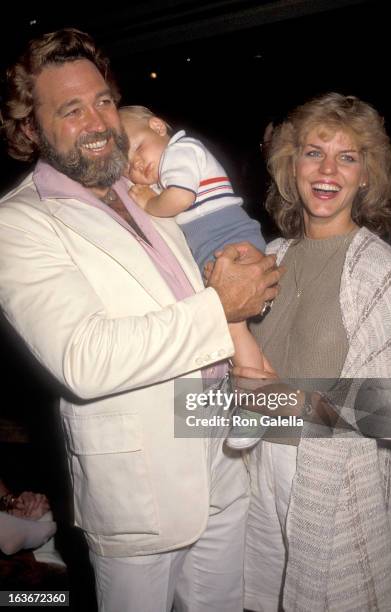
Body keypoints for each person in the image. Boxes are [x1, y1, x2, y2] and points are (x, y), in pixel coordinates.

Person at [0, 28, 283, 612]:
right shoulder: (19, 223)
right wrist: (220, 307)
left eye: (103, 101)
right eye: (71, 109)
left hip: (219, 455)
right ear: (30, 128)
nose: (99, 121)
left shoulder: (142, 192)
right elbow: (85, 358)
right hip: (141, 491)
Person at [239, 93, 391, 611]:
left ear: (366, 175)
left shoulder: (381, 273)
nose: (327, 170)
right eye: (313, 152)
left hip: (340, 487)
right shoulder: (269, 259)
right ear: (291, 165)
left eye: (347, 157)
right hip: (257, 477)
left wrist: (283, 401)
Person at [119, 105, 274, 449]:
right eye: (127, 164)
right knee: (237, 333)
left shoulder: (182, 151)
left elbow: (180, 199)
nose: (136, 165)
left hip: (232, 245)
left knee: (233, 329)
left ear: (158, 126)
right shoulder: (168, 164)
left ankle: (255, 408)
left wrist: (149, 202)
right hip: (221, 248)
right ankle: (267, 391)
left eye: (139, 148)